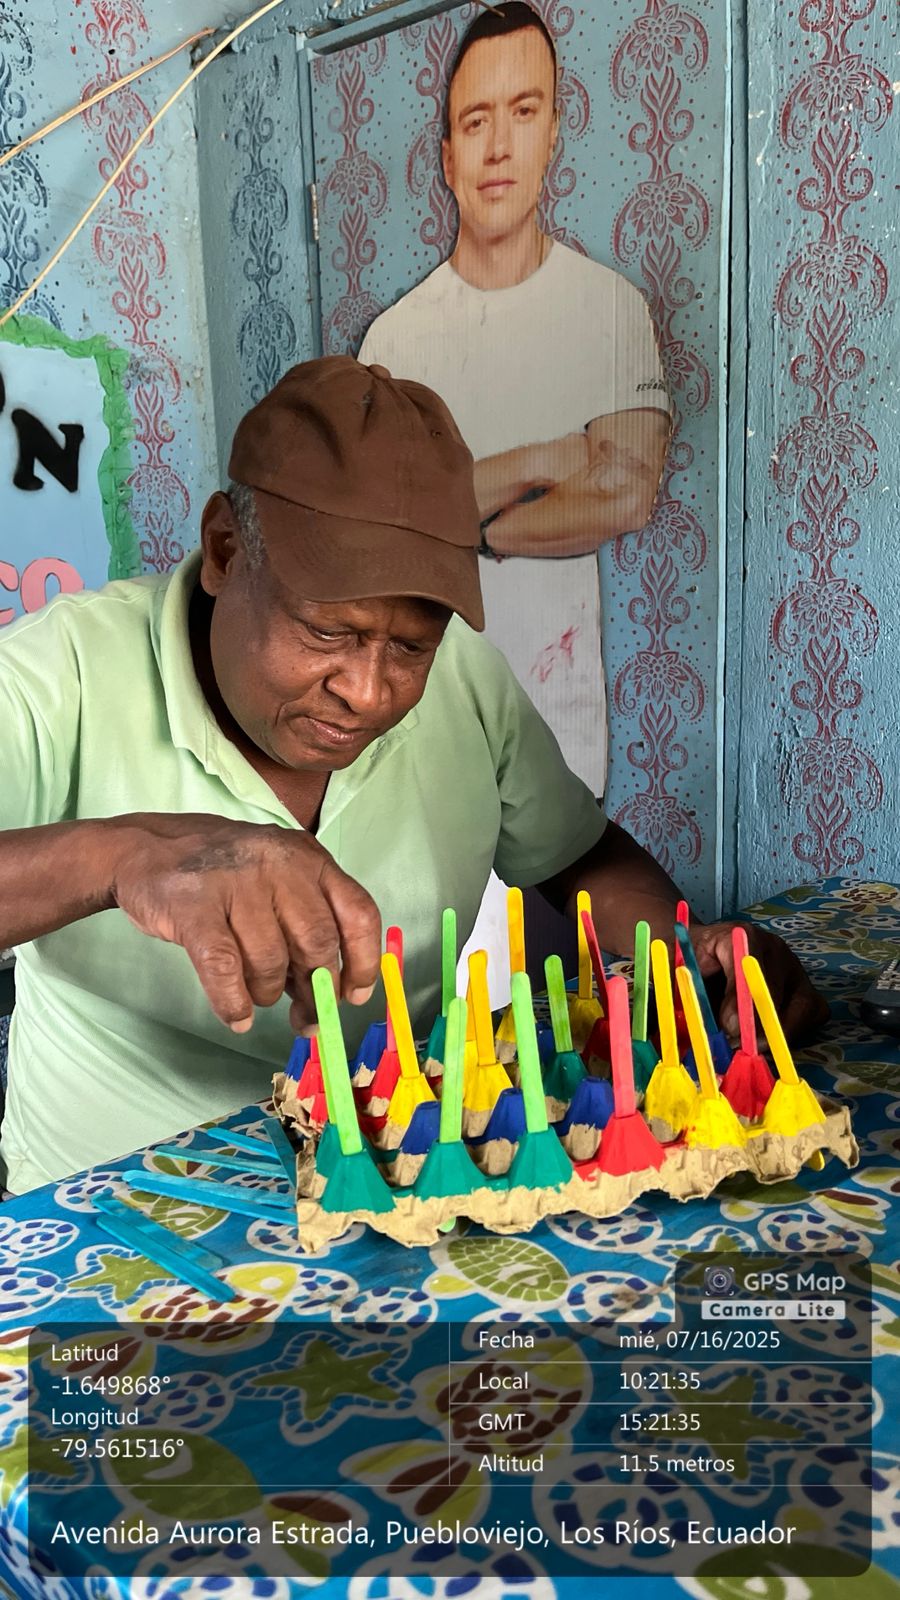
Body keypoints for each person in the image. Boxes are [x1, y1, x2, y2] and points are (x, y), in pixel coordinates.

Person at [0, 358, 823, 1194]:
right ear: (224, 550)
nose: (367, 691)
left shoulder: (467, 680)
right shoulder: (54, 677)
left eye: (409, 647)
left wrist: (690, 957)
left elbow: (579, 857)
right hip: (109, 1206)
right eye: (327, 633)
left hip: (403, 1175)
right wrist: (127, 855)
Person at [358, 0, 672, 797]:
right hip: (421, 731)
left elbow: (625, 494)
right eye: (476, 121)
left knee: (560, 881)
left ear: (553, 133)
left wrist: (467, 526)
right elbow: (385, 523)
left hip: (557, 723)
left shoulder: (609, 308)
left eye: (524, 112)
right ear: (447, 156)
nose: (499, 146)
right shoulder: (394, 340)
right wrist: (549, 457)